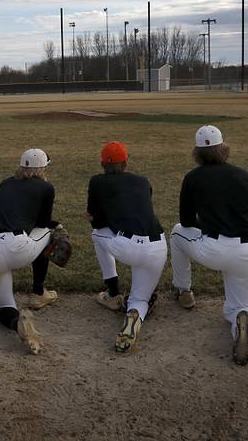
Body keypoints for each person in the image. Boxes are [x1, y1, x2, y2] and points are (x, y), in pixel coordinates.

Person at [169, 125, 248, 366]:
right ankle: (244, 320)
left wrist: (207, 221)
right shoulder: (244, 175)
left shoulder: (193, 177)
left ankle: (184, 290)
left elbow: (187, 221)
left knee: (177, 232)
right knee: (239, 308)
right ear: (223, 148)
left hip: (215, 249)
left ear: (197, 152)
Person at [0, 148, 60, 354]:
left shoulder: (6, 183)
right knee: (49, 232)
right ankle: (39, 291)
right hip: (18, 248)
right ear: (42, 168)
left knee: (3, 309)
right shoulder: (46, 187)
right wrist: (56, 225)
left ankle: (17, 324)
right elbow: (42, 222)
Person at [87, 142, 166, 353]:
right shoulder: (142, 181)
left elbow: (97, 223)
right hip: (157, 245)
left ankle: (113, 293)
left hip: (126, 246)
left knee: (97, 234)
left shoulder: (97, 181)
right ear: (126, 162)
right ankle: (133, 316)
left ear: (102, 164)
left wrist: (97, 217)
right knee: (140, 299)